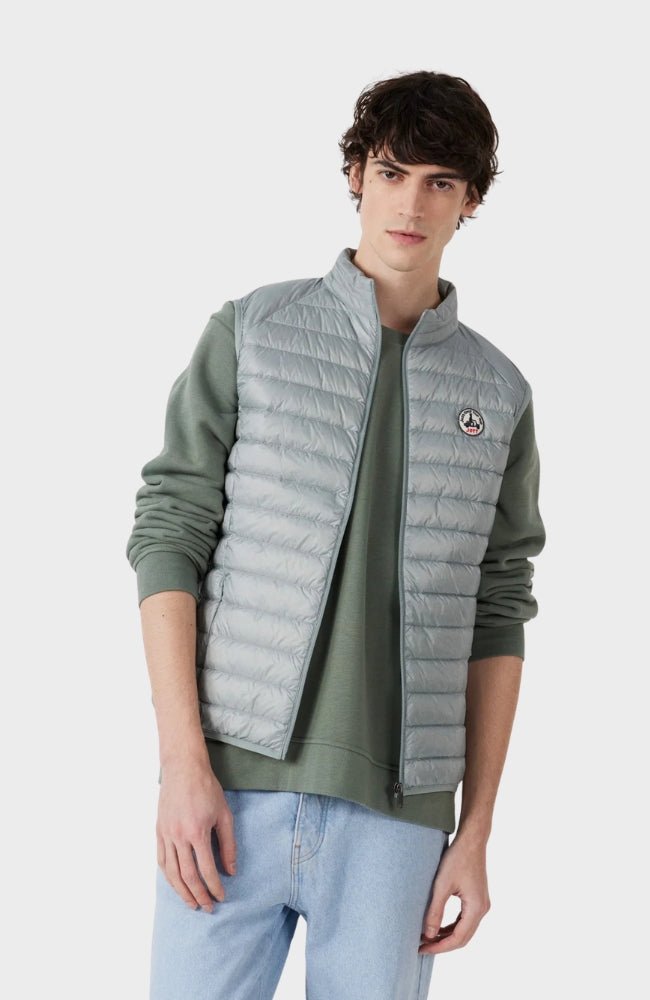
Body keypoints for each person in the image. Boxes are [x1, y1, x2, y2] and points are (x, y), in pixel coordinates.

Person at [126, 69, 546, 1000]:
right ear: (356, 175)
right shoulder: (255, 332)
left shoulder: (499, 394)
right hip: (227, 796)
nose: (412, 204)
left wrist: (474, 831)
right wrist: (182, 764)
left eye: (441, 181)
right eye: (392, 172)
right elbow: (170, 535)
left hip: (398, 822)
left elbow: (500, 608)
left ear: (471, 200)